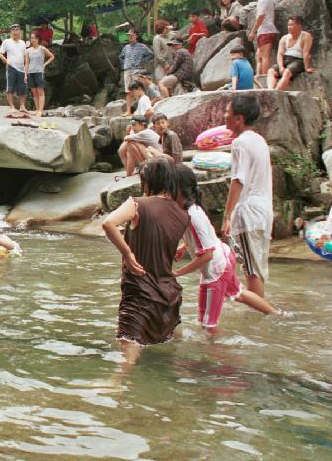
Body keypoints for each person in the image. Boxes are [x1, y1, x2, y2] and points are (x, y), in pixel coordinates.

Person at [174, 165, 287, 334]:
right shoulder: (193, 208)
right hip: (224, 257)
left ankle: (226, 359)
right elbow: (206, 236)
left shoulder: (192, 215)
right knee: (239, 293)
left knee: (208, 325)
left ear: (177, 190)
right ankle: (278, 314)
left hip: (216, 270)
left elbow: (206, 255)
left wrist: (177, 273)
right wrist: (185, 246)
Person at [102, 158, 190, 359]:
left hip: (140, 290)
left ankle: (117, 381)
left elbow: (108, 224)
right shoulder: (182, 214)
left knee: (128, 340)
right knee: (167, 342)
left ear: (148, 181)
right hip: (168, 292)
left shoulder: (137, 204)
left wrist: (127, 253)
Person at [222, 95, 273, 298]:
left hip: (248, 213)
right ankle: (259, 307)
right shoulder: (259, 140)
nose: (224, 116)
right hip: (263, 212)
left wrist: (227, 216)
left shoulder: (240, 143)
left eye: (228, 112)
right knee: (257, 268)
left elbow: (238, 181)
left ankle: (259, 315)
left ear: (239, 119)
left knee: (251, 271)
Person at [267, 16, 316, 90]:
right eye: (288, 25)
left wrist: (307, 68)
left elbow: (306, 53)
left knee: (287, 72)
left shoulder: (306, 36)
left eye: (292, 25)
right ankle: (270, 91)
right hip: (285, 60)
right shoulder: (284, 38)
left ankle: (276, 92)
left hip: (298, 61)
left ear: (299, 25)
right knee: (271, 71)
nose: (289, 27)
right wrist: (281, 67)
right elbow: (280, 54)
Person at [249, 0, 279, 76]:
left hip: (266, 30)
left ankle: (264, 77)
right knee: (259, 55)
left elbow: (260, 17)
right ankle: (259, 75)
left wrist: (253, 32)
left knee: (264, 56)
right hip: (267, 30)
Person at [0, 23, 29, 115]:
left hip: (21, 68)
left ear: (20, 31)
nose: (15, 32)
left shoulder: (23, 43)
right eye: (14, 30)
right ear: (11, 31)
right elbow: (0, 53)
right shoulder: (7, 42)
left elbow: (26, 56)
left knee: (22, 88)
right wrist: (5, 60)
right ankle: (12, 107)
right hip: (11, 67)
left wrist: (26, 70)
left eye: (17, 30)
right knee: (10, 88)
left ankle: (22, 106)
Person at [25, 31, 54, 117]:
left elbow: (52, 56)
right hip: (30, 72)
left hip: (39, 72)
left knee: (40, 91)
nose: (33, 40)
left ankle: (40, 111)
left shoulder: (42, 48)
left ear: (38, 39)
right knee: (34, 92)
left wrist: (45, 64)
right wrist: (25, 75)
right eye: (31, 38)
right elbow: (26, 63)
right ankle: (37, 110)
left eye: (34, 38)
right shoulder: (28, 50)